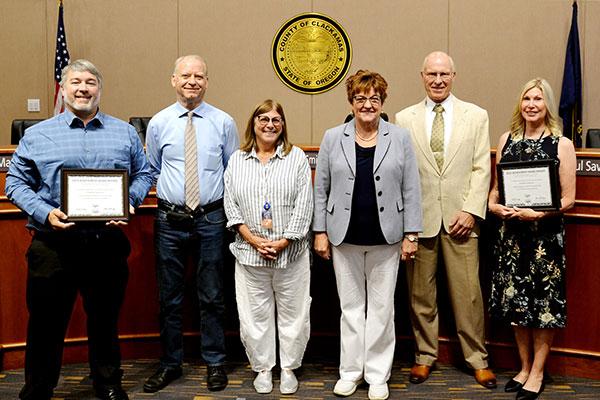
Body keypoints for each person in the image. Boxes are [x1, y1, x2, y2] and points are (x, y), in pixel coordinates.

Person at [5, 59, 153, 400]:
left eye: (90, 82)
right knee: (45, 324)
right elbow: (15, 183)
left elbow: (144, 174)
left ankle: (108, 384)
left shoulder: (125, 132)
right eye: (75, 82)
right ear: (64, 88)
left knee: (105, 321)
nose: (83, 88)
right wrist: (45, 213)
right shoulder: (38, 134)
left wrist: (129, 201)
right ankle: (38, 390)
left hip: (106, 242)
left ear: (100, 89)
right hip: (54, 244)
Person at [313, 70, 422, 400]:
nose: (367, 104)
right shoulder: (334, 137)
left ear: (382, 102)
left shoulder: (399, 137)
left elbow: (412, 188)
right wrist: (319, 231)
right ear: (351, 101)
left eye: (374, 98)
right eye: (361, 98)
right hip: (343, 237)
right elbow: (322, 189)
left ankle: (377, 374)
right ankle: (350, 372)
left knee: (381, 309)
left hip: (386, 239)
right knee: (350, 308)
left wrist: (411, 235)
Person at [395, 51, 496, 388]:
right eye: (431, 74)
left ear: (454, 76)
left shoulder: (476, 116)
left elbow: (482, 167)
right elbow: (402, 173)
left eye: (444, 74)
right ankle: (424, 356)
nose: (437, 80)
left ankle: (477, 359)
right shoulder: (403, 117)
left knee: (468, 295)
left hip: (460, 221)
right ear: (422, 76)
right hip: (419, 221)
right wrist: (407, 223)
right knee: (420, 296)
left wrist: (470, 210)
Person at [144, 54, 239, 393]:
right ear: (173, 80)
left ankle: (215, 362)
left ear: (207, 82)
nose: (192, 81)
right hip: (170, 220)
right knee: (169, 297)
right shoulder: (158, 123)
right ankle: (171, 364)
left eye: (199, 76)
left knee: (212, 295)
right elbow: (151, 169)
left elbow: (234, 172)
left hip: (211, 219)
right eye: (185, 75)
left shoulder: (224, 122)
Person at [488, 78, 576, 400]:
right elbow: (496, 192)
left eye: (538, 99)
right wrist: (494, 206)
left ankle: (538, 372)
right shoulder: (507, 139)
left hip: (545, 241)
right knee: (517, 303)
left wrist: (538, 214)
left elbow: (569, 199)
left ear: (548, 105)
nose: (531, 104)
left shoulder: (561, 143)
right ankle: (523, 367)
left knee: (543, 306)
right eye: (527, 98)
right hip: (511, 237)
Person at [224, 99, 313, 395]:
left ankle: (288, 368)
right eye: (263, 119)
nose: (270, 125)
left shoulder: (296, 157)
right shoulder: (238, 159)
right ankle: (263, 368)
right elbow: (230, 203)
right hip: (250, 254)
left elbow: (305, 203)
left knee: (294, 314)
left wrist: (285, 239)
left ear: (283, 125)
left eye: (276, 119)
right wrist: (252, 238)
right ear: (253, 123)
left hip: (291, 254)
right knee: (254, 316)